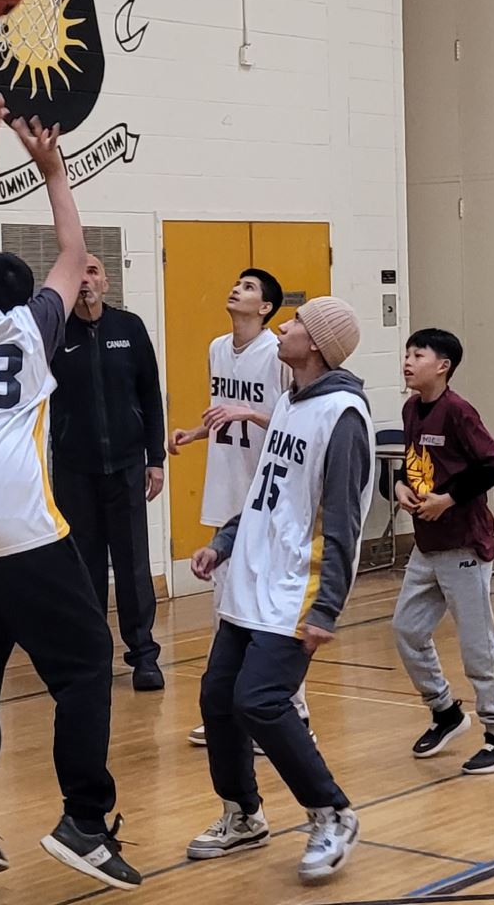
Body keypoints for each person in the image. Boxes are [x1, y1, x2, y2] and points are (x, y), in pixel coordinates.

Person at [0, 98, 140, 892]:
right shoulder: (32, 329)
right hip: (19, 530)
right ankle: (84, 822)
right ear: (24, 303)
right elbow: (75, 250)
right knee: (86, 665)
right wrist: (50, 167)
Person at [185, 298, 371, 884]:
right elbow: (269, 490)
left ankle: (331, 812)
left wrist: (327, 605)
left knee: (260, 700)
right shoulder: (290, 401)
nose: (283, 328)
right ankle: (243, 814)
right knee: (218, 697)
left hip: (297, 587)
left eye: (293, 323)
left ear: (314, 344)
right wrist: (226, 539)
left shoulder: (343, 415)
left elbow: (343, 519)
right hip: (252, 577)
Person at [169, 269, 315, 748]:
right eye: (235, 283)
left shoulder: (277, 354)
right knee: (224, 610)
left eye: (249, 287)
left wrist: (249, 413)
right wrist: (196, 432)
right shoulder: (216, 348)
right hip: (226, 491)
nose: (236, 289)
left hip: (268, 497)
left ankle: (294, 712)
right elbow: (225, 415)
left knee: (270, 610)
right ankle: (226, 713)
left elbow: (298, 422)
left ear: (266, 308)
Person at [392, 328, 494, 774]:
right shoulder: (411, 409)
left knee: (476, 645)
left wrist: (448, 499)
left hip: (463, 543)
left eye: (418, 355)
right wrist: (401, 486)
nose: (408, 361)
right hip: (427, 547)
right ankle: (445, 711)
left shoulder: (459, 412)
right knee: (406, 630)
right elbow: (412, 464)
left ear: (442, 365)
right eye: (406, 353)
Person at [49, 253, 167, 691]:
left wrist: (154, 457)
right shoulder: (54, 334)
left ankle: (144, 656)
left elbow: (151, 395)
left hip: (126, 467)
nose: (85, 280)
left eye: (93, 271)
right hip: (74, 471)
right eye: (77, 272)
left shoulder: (129, 328)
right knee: (85, 567)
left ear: (107, 282)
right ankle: (92, 656)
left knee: (134, 564)